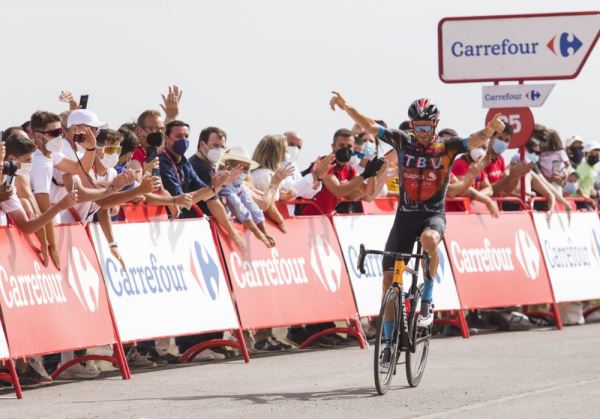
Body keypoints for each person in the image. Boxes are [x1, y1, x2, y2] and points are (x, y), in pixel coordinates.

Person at [328, 92, 505, 335]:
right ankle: (387, 342)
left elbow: (474, 140)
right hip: (405, 216)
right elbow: (370, 125)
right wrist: (347, 106)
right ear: (412, 125)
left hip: (432, 214)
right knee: (388, 281)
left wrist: (490, 130)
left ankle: (428, 298)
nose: (422, 132)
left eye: (427, 127)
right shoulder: (402, 141)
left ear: (435, 125)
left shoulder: (446, 147)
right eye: (418, 127)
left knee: (429, 239)